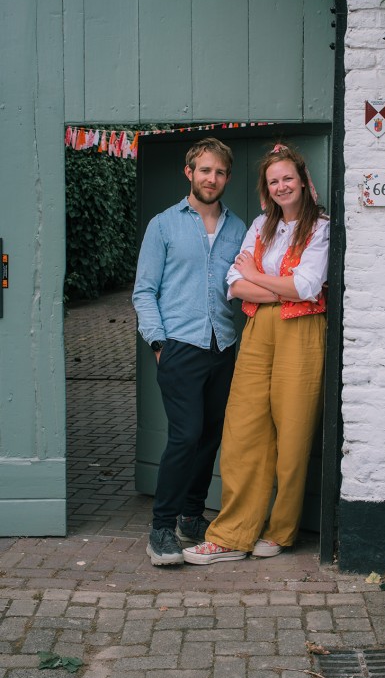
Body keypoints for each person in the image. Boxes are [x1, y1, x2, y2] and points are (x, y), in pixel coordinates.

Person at [183, 143, 329, 565]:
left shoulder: (321, 227)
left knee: (293, 432)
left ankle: (281, 529)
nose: (282, 186)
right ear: (267, 189)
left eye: (288, 178)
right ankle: (232, 534)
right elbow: (233, 281)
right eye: (273, 181)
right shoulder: (262, 226)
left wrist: (256, 275)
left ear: (302, 180)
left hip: (301, 331)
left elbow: (307, 286)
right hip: (258, 330)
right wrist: (263, 282)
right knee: (243, 429)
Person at [132, 137, 246, 566]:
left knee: (210, 435)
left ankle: (191, 516)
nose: (211, 178)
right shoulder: (164, 225)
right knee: (185, 435)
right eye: (204, 170)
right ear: (190, 173)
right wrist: (159, 343)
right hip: (179, 344)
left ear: (226, 178)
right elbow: (144, 291)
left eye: (219, 172)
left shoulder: (239, 228)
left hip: (223, 345)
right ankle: (161, 527)